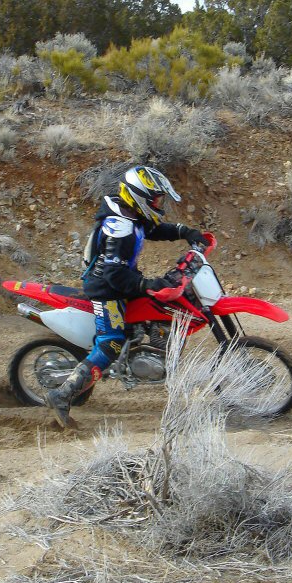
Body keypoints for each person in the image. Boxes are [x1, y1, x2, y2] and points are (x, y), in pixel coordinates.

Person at [45, 164, 206, 427]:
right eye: (155, 199)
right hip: (107, 289)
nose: (158, 203)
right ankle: (62, 395)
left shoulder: (130, 215)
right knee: (111, 343)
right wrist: (147, 284)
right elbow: (113, 274)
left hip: (120, 280)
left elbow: (152, 229)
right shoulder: (118, 228)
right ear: (139, 196)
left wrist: (184, 232)